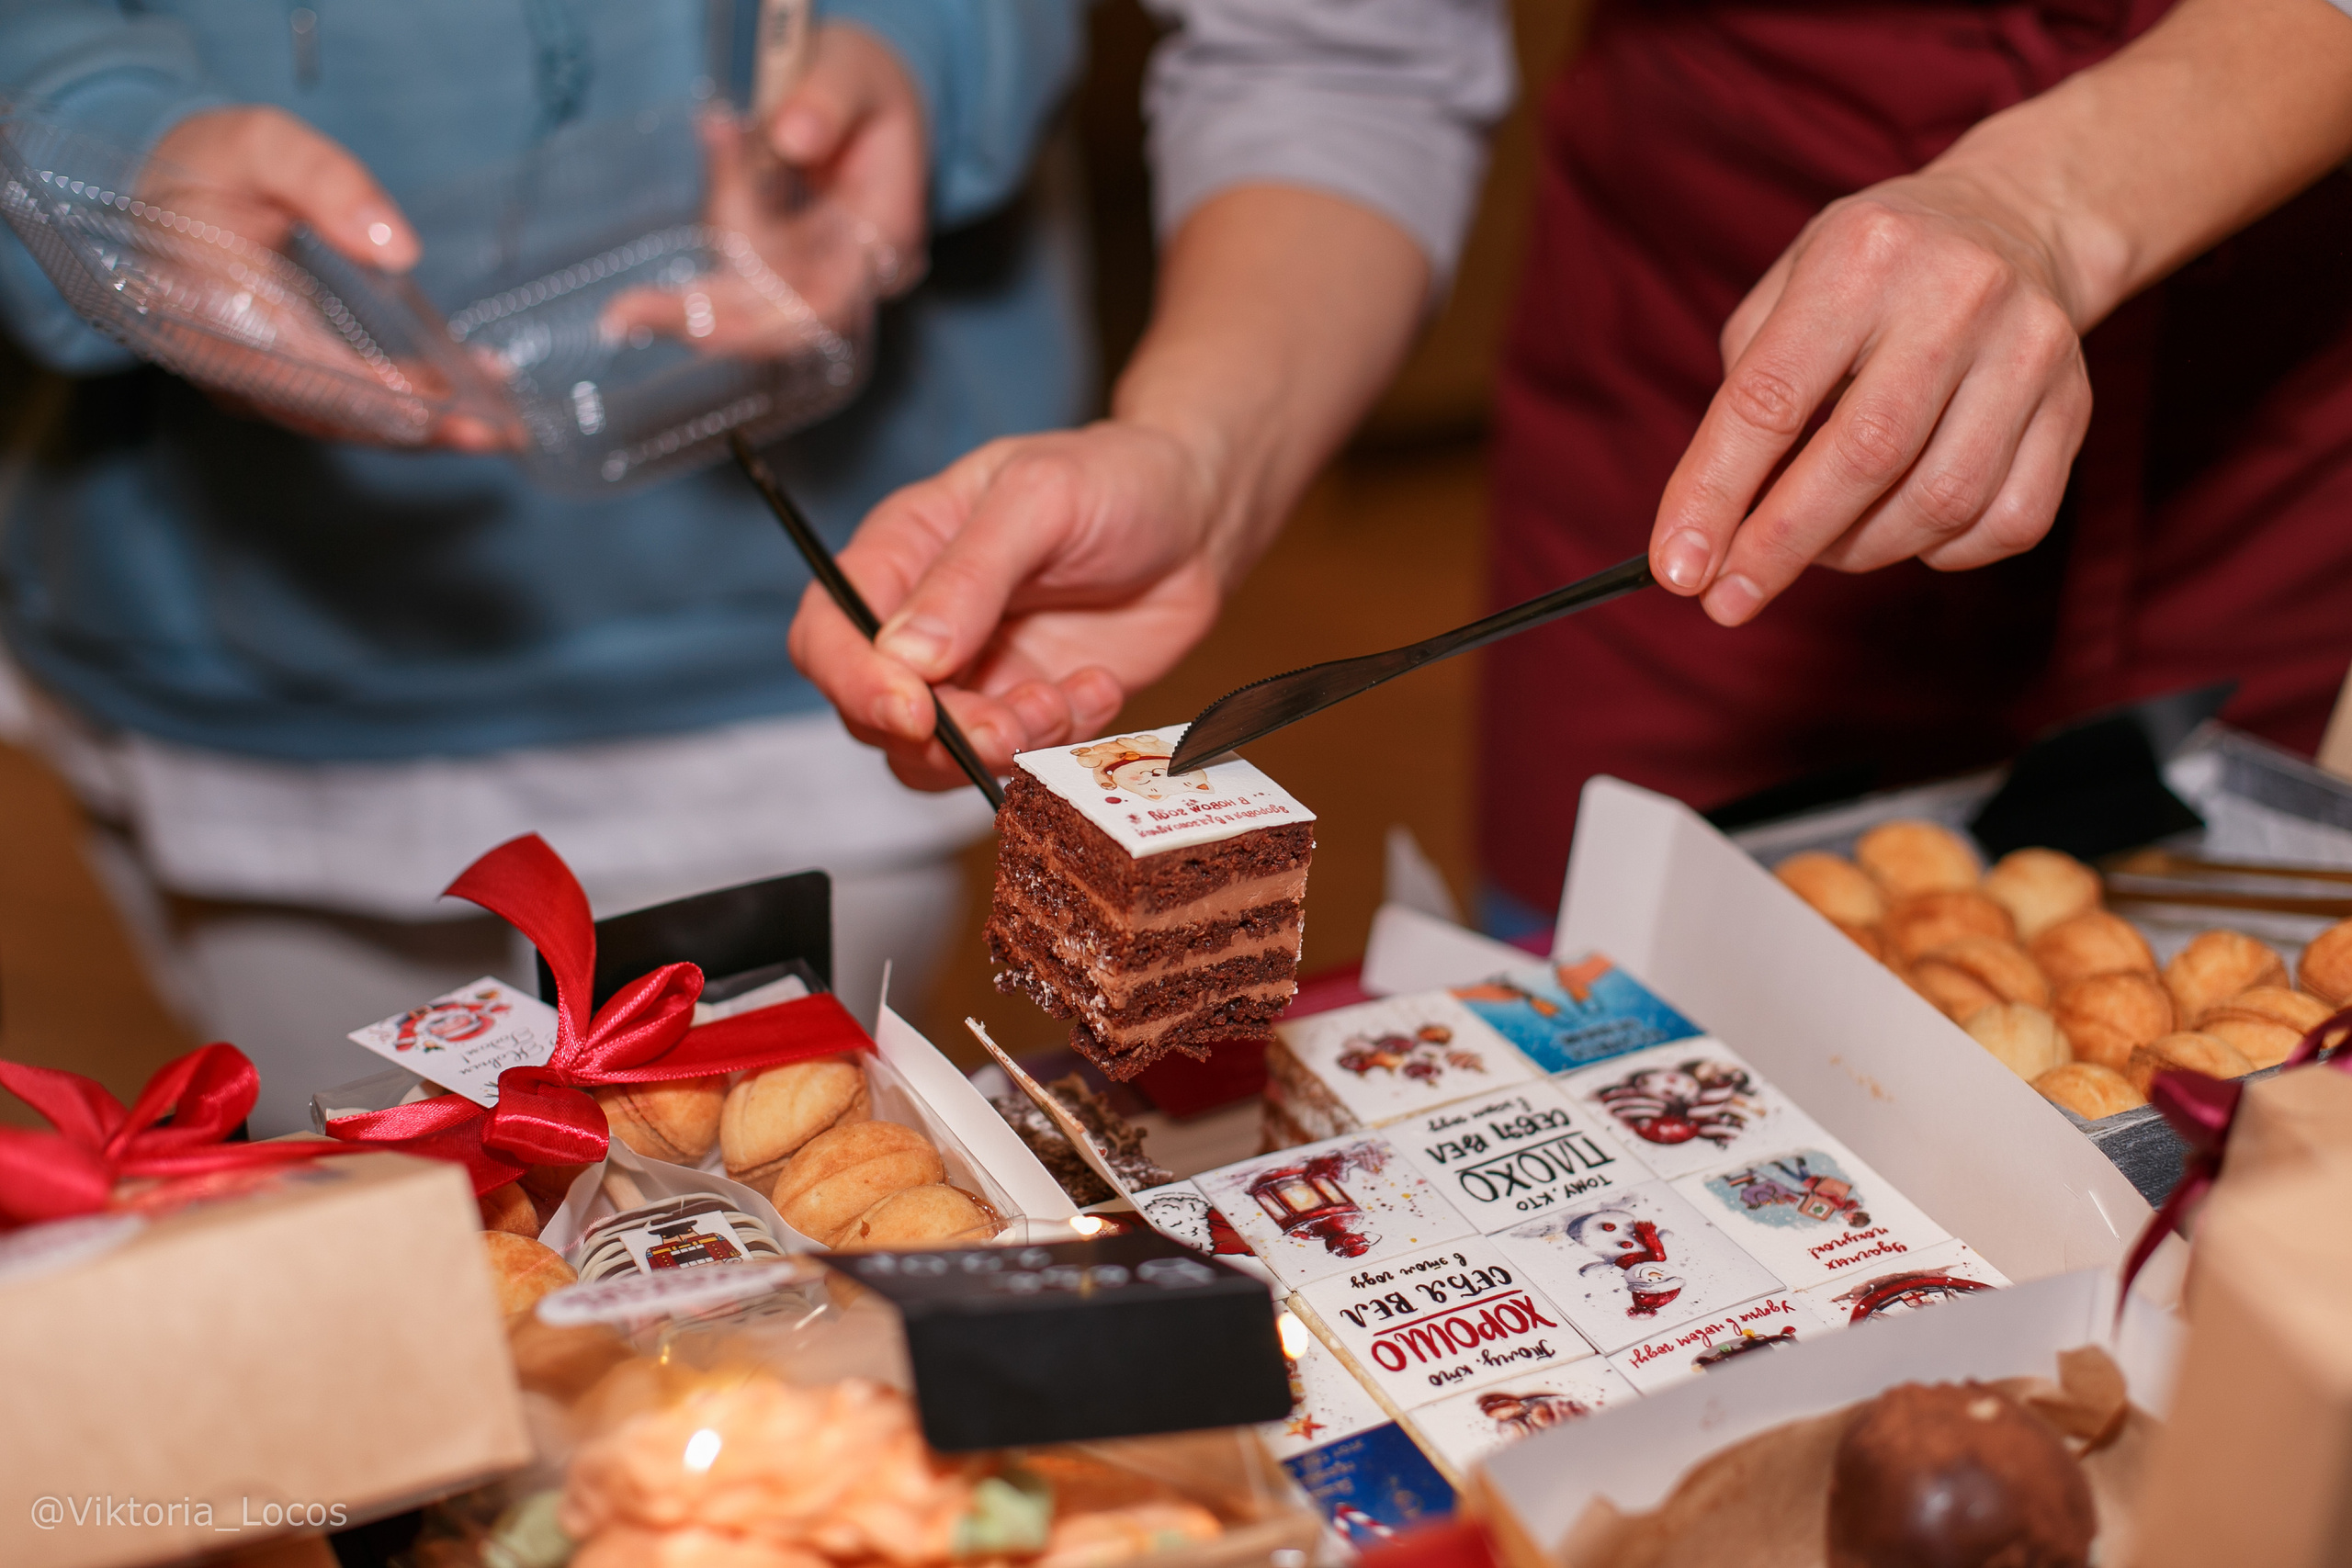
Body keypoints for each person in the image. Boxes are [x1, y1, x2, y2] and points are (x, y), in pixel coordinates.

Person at [788, 0, 2352, 938]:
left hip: (2276, 475)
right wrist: (1201, 445)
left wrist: (2050, 204)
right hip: (1693, 431)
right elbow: (1350, 53)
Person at [0, 0, 1089, 1134]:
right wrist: (105, 146)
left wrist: (918, 50)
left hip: (811, 671)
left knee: (797, 1224)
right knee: (387, 1231)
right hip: (260, 705)